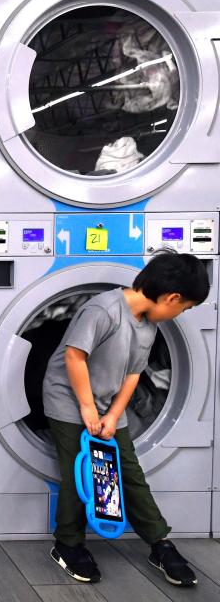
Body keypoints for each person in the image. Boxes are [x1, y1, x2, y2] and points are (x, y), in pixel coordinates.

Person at [43, 251, 208, 587]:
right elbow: (75, 356)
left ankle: (159, 543)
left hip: (106, 405)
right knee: (81, 468)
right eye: (184, 308)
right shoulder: (104, 309)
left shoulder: (149, 326)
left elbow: (134, 374)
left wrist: (114, 415)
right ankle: (67, 544)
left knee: (127, 471)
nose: (181, 313)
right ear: (172, 297)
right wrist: (88, 409)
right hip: (68, 398)